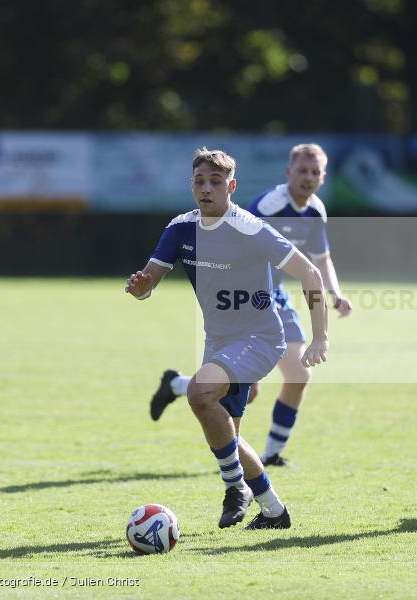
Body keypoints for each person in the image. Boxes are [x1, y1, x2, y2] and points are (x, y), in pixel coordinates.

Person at [125, 148, 328, 530]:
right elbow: (148, 280)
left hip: (261, 338)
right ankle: (274, 510)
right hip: (219, 341)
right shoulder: (180, 229)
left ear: (231, 187)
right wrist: (140, 287)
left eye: (215, 182)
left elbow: (310, 275)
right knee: (227, 433)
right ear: (191, 186)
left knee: (200, 394)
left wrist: (320, 336)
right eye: (200, 182)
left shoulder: (250, 228)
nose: (206, 189)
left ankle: (236, 488)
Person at [150, 143, 352, 468]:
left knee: (293, 376)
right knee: (251, 385)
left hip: (277, 296)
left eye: (315, 172)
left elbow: (320, 260)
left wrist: (335, 292)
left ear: (323, 177)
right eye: (302, 170)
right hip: (251, 300)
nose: (308, 177)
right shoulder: (269, 206)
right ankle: (184, 389)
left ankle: (269, 452)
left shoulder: (315, 210)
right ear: (289, 173)